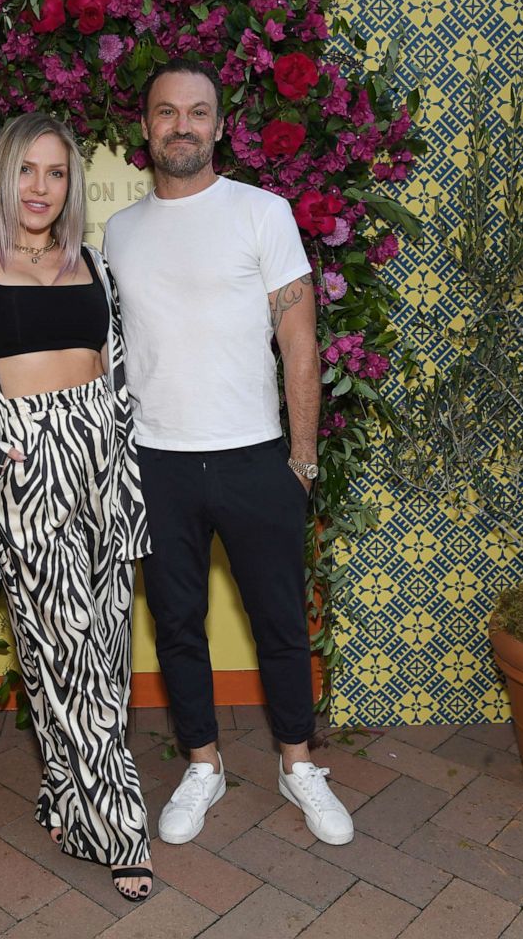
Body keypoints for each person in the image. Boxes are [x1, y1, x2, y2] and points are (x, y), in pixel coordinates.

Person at [103, 59, 354, 848]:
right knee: (177, 625)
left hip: (255, 458)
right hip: (156, 463)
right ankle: (203, 765)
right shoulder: (119, 232)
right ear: (145, 127)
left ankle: (296, 763)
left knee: (279, 622)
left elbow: (299, 339)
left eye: (198, 112)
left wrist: (302, 457)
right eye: (167, 112)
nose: (183, 125)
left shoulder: (262, 212)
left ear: (220, 125)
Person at [0, 112, 153, 900]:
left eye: (55, 173)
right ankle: (118, 828)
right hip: (28, 470)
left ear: (70, 184)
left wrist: (116, 436)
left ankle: (62, 790)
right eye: (27, 171)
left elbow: (116, 364)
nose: (40, 188)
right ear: (1, 177)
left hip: (103, 469)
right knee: (65, 646)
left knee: (101, 651)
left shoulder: (93, 263)